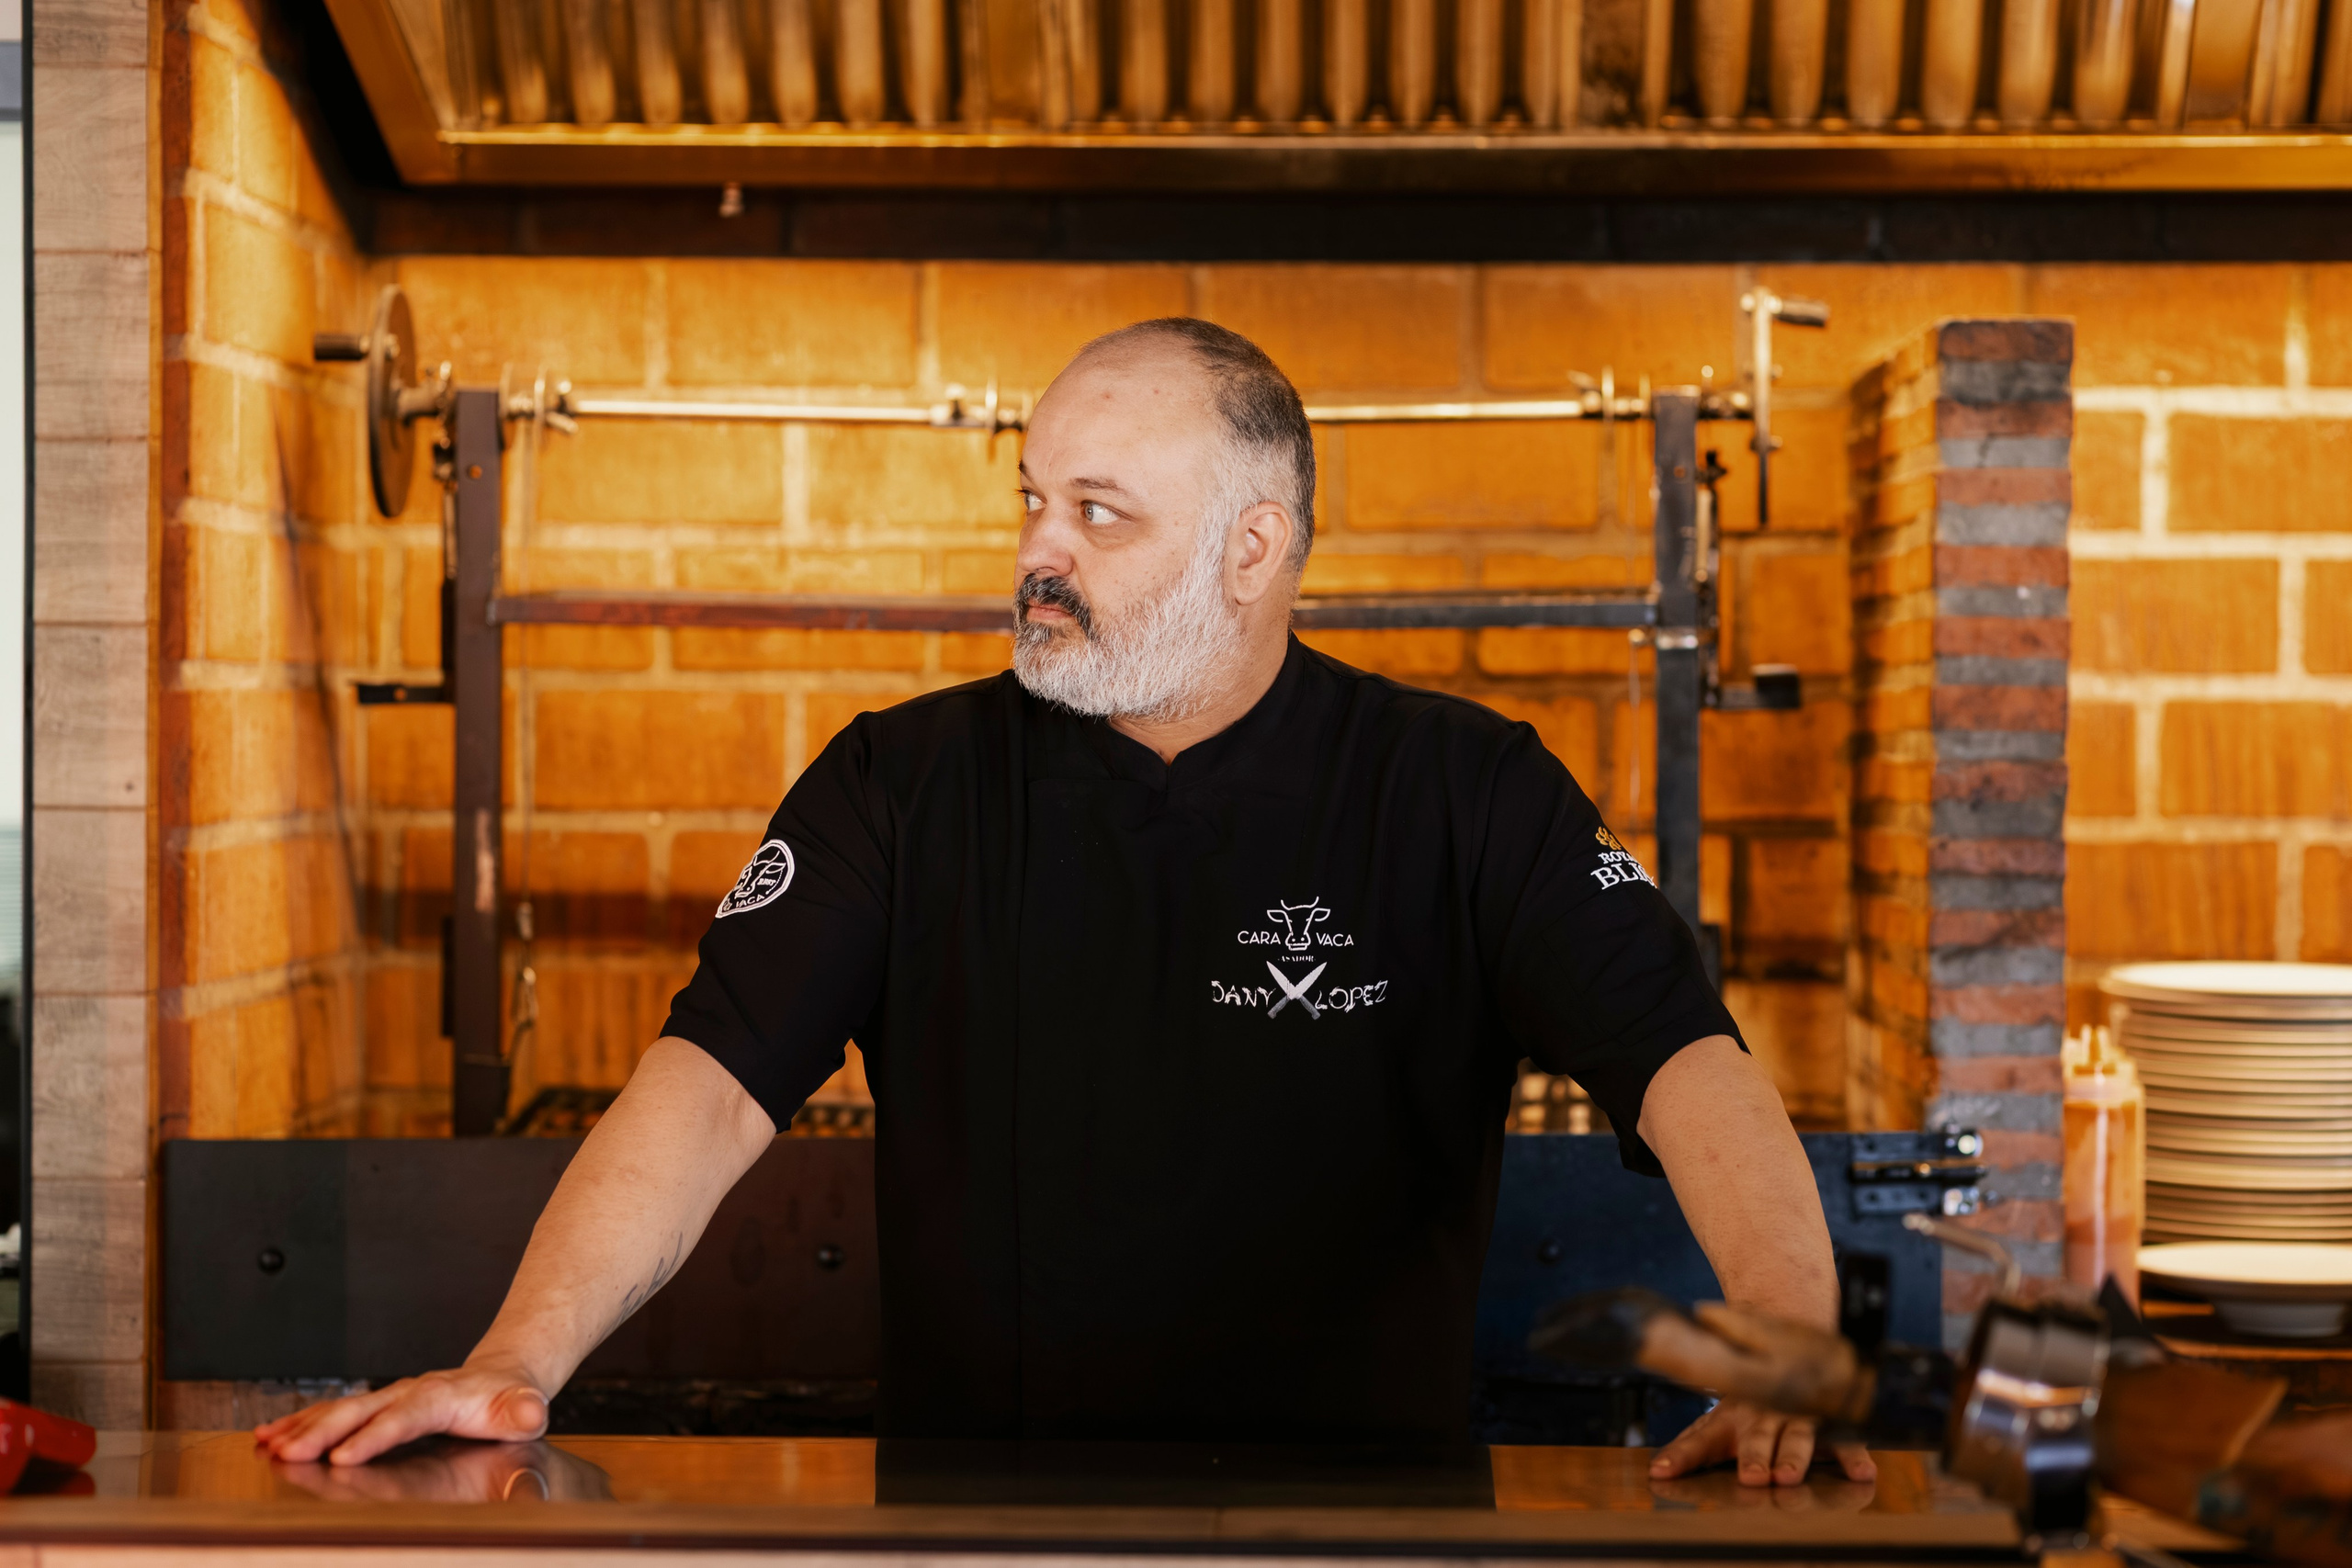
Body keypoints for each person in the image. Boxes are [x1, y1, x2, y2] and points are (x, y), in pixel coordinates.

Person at [258, 318, 1871, 1490]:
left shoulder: (1460, 788)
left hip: (1369, 1532)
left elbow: (1683, 1062)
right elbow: (707, 1089)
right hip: (981, 1526)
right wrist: (518, 1362)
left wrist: (1793, 1350)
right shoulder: (904, 784)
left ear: (1259, 547)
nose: (1042, 552)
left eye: (1101, 515)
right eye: (1033, 500)